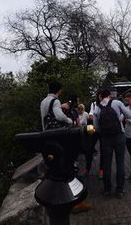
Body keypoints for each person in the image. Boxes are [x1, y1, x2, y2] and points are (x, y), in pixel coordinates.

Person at [39, 81, 91, 213]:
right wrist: (69, 121)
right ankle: (75, 202)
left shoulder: (44, 101)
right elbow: (59, 116)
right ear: (60, 90)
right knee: (67, 167)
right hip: (57, 137)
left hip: (47, 136)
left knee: (56, 169)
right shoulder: (55, 101)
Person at [92, 89, 131, 198]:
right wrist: (119, 118)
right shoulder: (117, 103)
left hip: (106, 139)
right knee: (120, 163)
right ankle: (120, 190)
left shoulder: (97, 108)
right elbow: (129, 114)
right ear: (109, 95)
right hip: (119, 136)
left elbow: (96, 128)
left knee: (107, 164)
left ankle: (107, 190)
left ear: (101, 96)